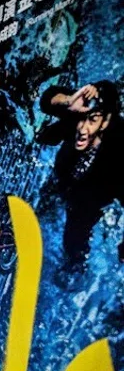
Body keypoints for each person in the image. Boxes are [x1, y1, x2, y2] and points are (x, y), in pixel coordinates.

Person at [39, 81, 123, 270]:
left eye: (92, 120)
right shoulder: (81, 109)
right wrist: (68, 101)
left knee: (74, 244)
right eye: (81, 119)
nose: (83, 129)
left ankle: (75, 271)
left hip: (93, 196)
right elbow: (47, 99)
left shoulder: (118, 150)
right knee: (43, 204)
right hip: (65, 177)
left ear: (105, 122)